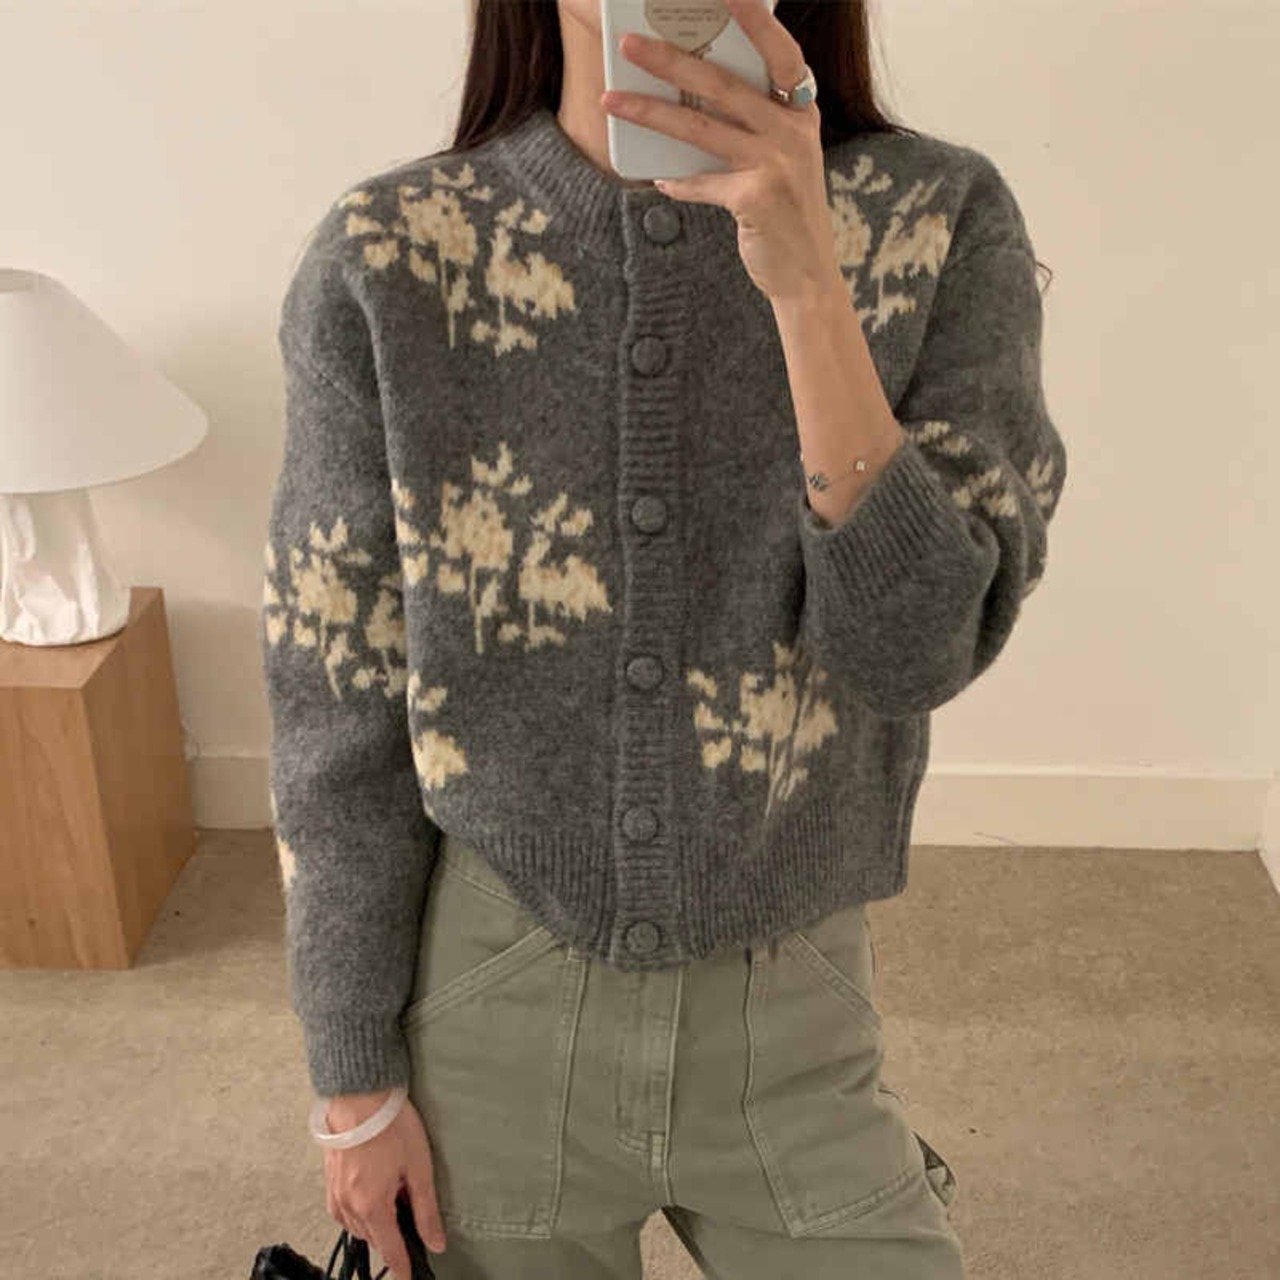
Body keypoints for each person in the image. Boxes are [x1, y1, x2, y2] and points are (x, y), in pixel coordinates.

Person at [258, 1, 1068, 1277]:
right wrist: (352, 1079)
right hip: (488, 998)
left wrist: (806, 280)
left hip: (790, 998)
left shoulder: (934, 220)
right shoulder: (391, 253)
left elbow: (912, 652)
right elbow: (336, 700)